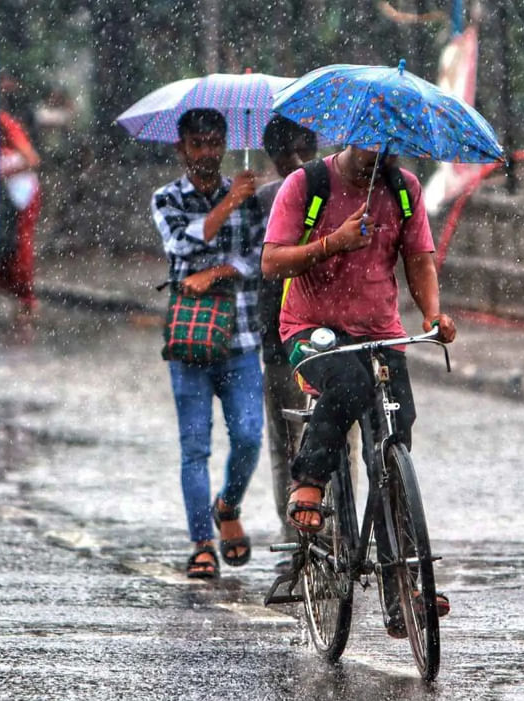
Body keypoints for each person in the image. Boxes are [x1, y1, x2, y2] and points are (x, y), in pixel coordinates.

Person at [261, 143, 456, 633]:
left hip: (381, 333)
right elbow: (272, 262)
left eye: (392, 146)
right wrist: (333, 242)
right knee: (346, 384)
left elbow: (420, 261)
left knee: (392, 440)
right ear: (352, 136)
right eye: (373, 143)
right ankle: (309, 480)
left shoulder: (404, 190)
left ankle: (403, 590)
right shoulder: (307, 186)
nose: (382, 154)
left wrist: (433, 315)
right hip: (312, 330)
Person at [151, 108, 265, 579]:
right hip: (190, 341)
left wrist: (219, 271)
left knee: (248, 437)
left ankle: (228, 504)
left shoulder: (249, 198)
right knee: (194, 447)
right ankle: (202, 542)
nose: (208, 152)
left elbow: (261, 258)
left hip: (240, 338)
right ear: (181, 148)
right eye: (197, 144)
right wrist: (227, 205)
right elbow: (182, 246)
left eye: (214, 142)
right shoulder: (166, 198)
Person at [255, 115, 318, 550]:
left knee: (312, 441)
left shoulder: (327, 191)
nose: (296, 161)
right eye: (289, 152)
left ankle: (318, 529)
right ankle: (296, 530)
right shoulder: (259, 202)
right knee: (288, 441)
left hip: (317, 336)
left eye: (302, 150)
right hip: (281, 339)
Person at [0, 109, 41, 320]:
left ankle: (26, 298)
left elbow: (32, 159)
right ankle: (19, 293)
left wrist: (1, 173)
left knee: (23, 246)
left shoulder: (2, 122)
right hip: (10, 196)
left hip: (24, 194)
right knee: (10, 248)